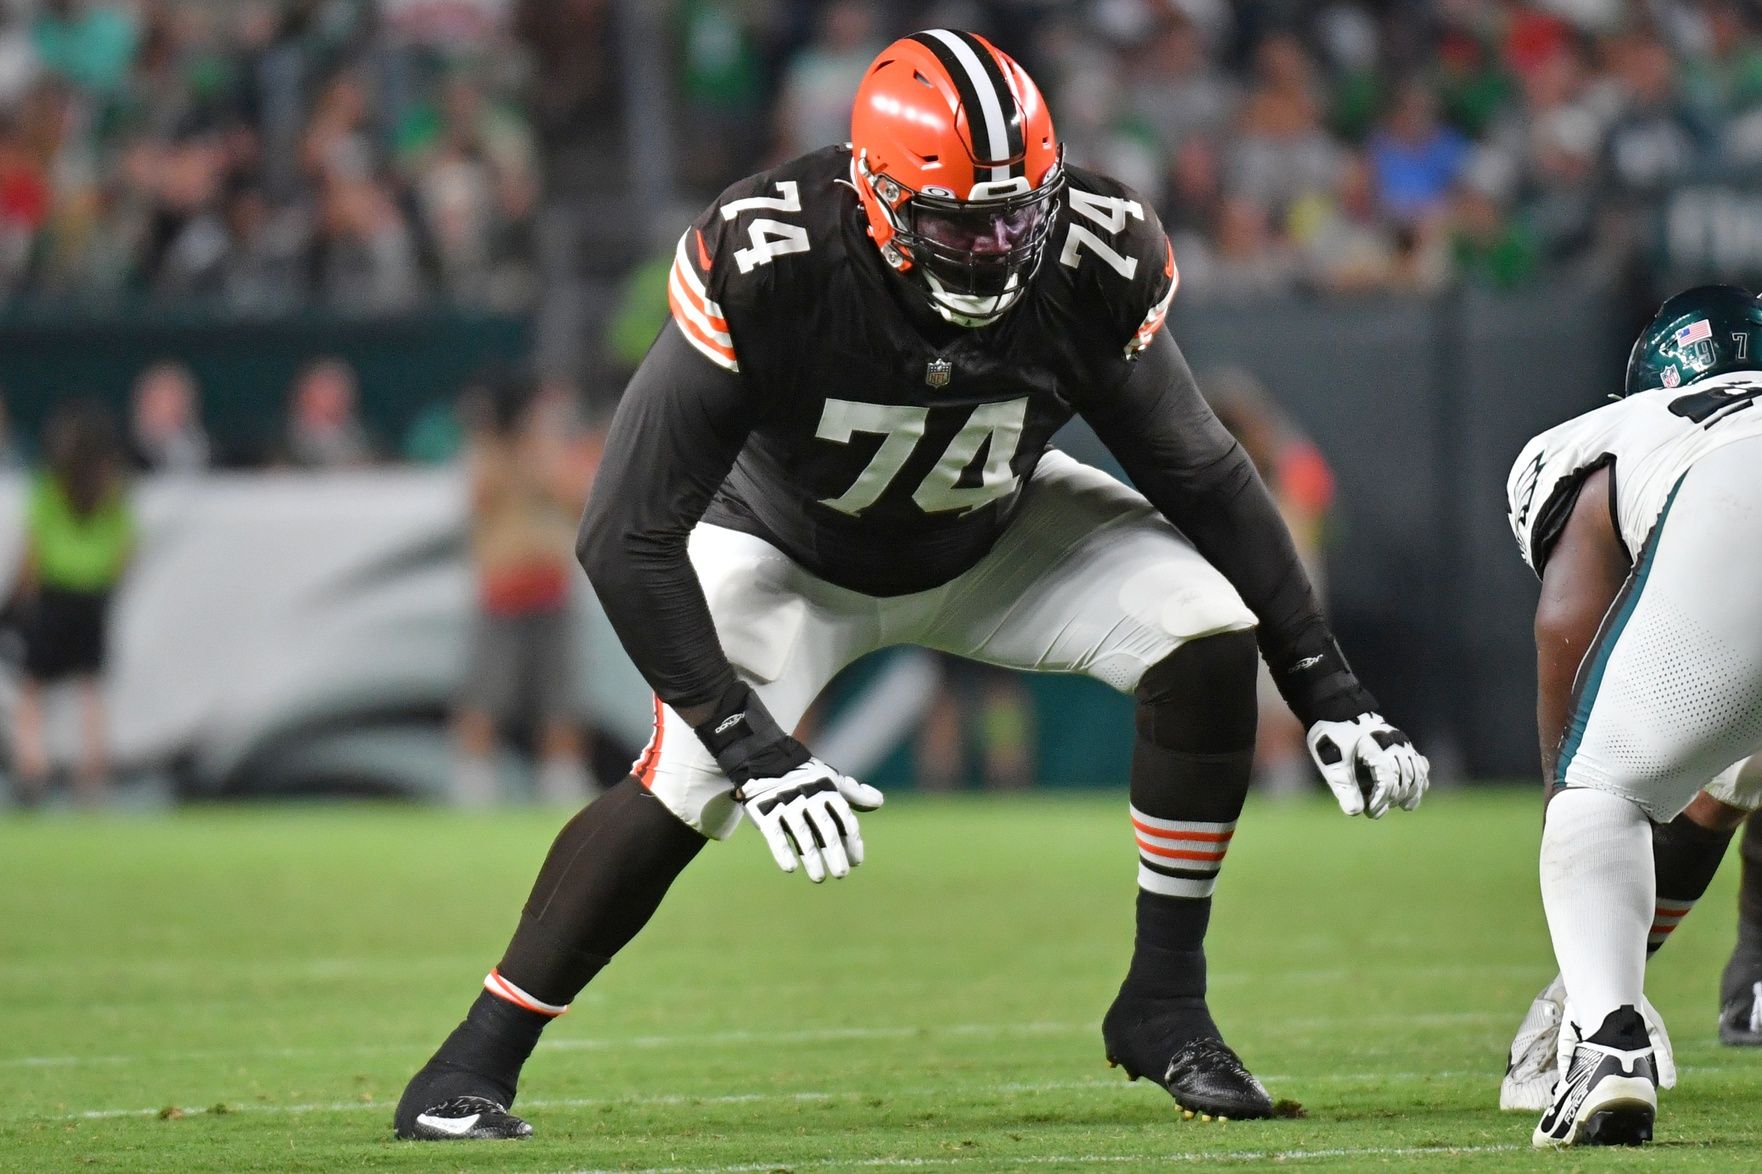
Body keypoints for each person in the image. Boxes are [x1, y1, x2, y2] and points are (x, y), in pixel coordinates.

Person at [392, 30, 1429, 1142]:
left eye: (1013, 212)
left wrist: (1324, 684)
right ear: (876, 198)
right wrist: (753, 746)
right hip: (786, 556)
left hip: (992, 533)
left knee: (1209, 629)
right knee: (688, 778)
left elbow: (1203, 470)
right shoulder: (769, 254)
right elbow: (622, 532)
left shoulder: (1092, 246)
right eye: (956, 222)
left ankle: (1164, 1002)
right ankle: (468, 1068)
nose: (992, 244)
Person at [1500, 284, 1762, 1147]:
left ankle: (1606, 1044)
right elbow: (1731, 784)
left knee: (1597, 790)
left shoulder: (1617, 433)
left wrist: (1570, 799)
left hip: (1731, 504)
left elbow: (1565, 628)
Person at [453, 371, 596, 807]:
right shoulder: (487, 452)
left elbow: (576, 499)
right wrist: (501, 445)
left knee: (559, 694)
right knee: (486, 692)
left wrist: (541, 449)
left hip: (550, 589)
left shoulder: (550, 451)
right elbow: (479, 499)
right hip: (502, 591)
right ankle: (474, 782)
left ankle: (561, 779)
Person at [9, 398, 132, 808]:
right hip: (92, 595)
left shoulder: (50, 486)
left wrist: (22, 595)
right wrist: (104, 580)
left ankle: (32, 766)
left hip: (56, 594)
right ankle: (92, 774)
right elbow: (125, 549)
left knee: (32, 686)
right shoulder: (112, 492)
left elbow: (34, 548)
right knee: (89, 686)